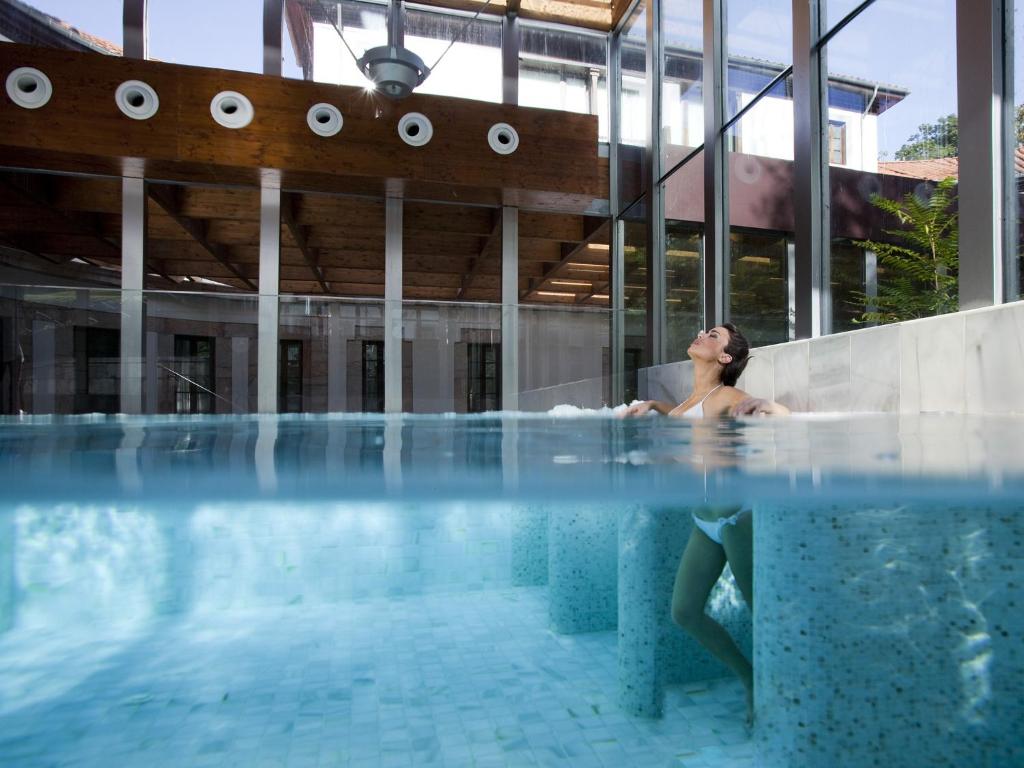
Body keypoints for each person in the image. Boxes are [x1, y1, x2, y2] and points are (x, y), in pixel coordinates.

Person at [622, 323, 789, 725]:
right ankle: (749, 677)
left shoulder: (726, 396)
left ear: (725, 358)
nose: (701, 334)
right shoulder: (687, 401)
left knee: (762, 615)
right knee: (685, 612)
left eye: (713, 336)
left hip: (736, 518)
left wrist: (767, 407)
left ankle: (782, 694)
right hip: (705, 522)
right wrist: (655, 407)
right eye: (702, 331)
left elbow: (777, 413)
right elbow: (684, 419)